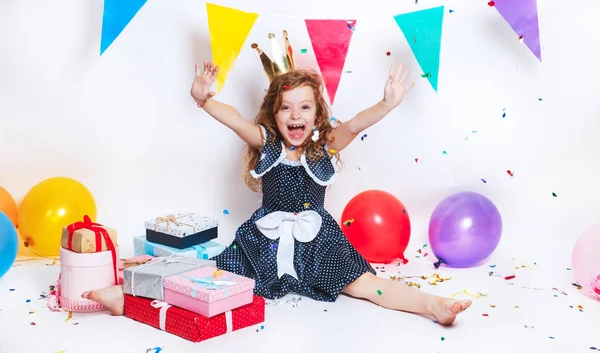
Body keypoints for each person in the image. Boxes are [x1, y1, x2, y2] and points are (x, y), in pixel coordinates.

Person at [83, 59, 471, 325]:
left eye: (304, 107)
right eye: (286, 108)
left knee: (368, 286)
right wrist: (204, 99)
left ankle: (433, 305)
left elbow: (354, 124)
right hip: (262, 240)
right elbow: (234, 119)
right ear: (274, 114)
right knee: (206, 277)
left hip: (318, 241)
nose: (295, 115)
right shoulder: (267, 143)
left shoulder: (325, 146)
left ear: (316, 113)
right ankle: (126, 299)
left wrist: (386, 104)